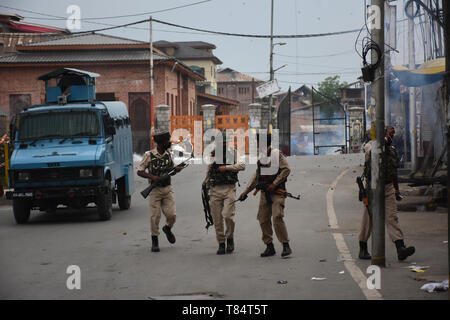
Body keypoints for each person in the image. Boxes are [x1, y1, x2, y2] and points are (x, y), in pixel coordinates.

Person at [358, 126, 415, 261]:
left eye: (392, 135)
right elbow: (373, 152)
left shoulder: (392, 149)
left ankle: (400, 248)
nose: (392, 137)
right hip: (373, 187)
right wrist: (384, 139)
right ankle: (363, 248)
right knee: (369, 219)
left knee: (392, 217)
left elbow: (393, 171)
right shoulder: (369, 146)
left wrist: (397, 190)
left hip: (388, 187)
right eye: (390, 135)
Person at [238, 133, 292, 258]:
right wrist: (246, 191)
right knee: (263, 219)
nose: (256, 145)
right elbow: (257, 176)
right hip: (264, 193)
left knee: (277, 217)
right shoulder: (261, 157)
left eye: (258, 142)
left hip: (277, 192)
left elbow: (286, 169)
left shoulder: (275, 154)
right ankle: (269, 246)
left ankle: (285, 245)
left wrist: (274, 183)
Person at [137, 130, 181, 252]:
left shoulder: (169, 154)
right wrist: (153, 177)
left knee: (172, 215)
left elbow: (173, 168)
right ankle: (154, 241)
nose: (169, 143)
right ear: (161, 143)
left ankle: (167, 228)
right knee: (155, 217)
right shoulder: (149, 155)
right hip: (154, 190)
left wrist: (177, 169)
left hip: (167, 189)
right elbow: (139, 171)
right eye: (167, 141)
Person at [203, 132, 245, 255]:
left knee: (228, 216)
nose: (223, 144)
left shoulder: (234, 152)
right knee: (217, 219)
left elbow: (242, 165)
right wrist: (205, 187)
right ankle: (221, 243)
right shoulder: (213, 155)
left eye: (225, 142)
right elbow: (209, 171)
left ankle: (230, 238)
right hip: (215, 190)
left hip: (229, 189)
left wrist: (226, 168)